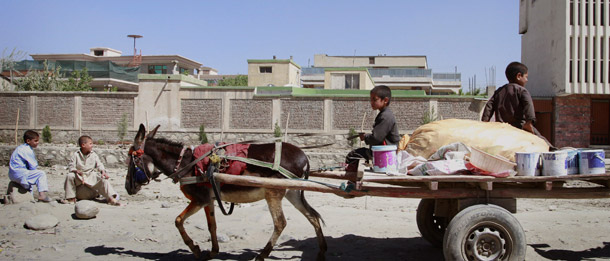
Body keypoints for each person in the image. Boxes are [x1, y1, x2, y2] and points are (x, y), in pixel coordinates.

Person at [481, 61, 555, 149]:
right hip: (519, 126)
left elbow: (489, 106)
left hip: (501, 129)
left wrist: (485, 122)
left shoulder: (499, 92)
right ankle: (553, 151)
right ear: (519, 76)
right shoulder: (522, 91)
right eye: (526, 77)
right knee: (543, 143)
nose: (527, 80)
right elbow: (528, 105)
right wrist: (529, 123)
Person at [346, 85, 401, 168]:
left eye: (374, 99)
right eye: (371, 99)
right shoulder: (384, 114)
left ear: (385, 100)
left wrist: (365, 137)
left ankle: (353, 180)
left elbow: (376, 138)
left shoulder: (385, 116)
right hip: (383, 151)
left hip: (386, 153)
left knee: (352, 156)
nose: (371, 102)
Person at [61, 135, 122, 206]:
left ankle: (111, 199)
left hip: (91, 179)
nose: (92, 145)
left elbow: (99, 164)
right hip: (80, 181)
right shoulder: (76, 155)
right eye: (90, 144)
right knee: (70, 176)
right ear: (83, 145)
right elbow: (71, 166)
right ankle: (70, 199)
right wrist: (76, 171)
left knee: (103, 179)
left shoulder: (94, 155)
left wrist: (103, 171)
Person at [9, 130, 52, 202]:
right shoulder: (27, 150)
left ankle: (29, 197)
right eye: (35, 141)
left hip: (13, 174)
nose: (37, 143)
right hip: (19, 173)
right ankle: (42, 195)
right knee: (41, 174)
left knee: (30, 179)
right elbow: (33, 165)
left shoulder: (20, 148)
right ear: (28, 141)